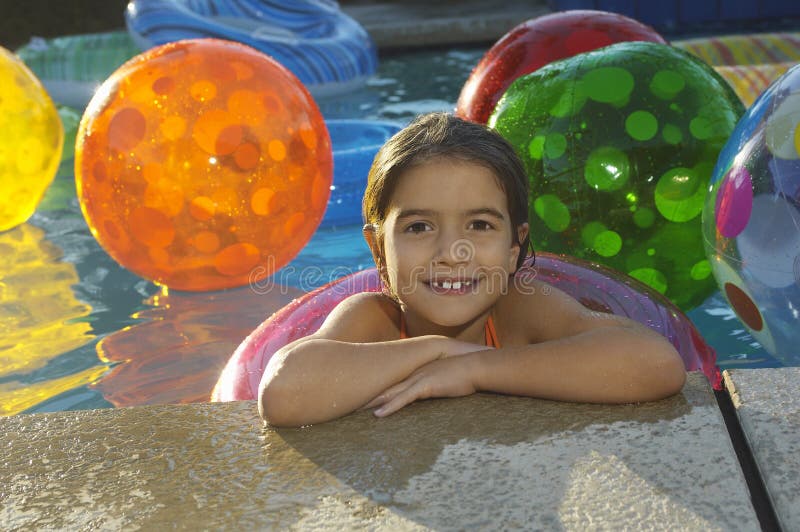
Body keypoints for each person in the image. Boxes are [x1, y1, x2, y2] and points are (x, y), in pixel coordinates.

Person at [259, 112, 686, 427]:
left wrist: (475, 367)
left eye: (480, 225)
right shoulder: (376, 320)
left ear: (515, 247)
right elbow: (284, 394)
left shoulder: (518, 311)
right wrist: (435, 349)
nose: (451, 252)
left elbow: (656, 364)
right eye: (419, 226)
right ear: (378, 250)